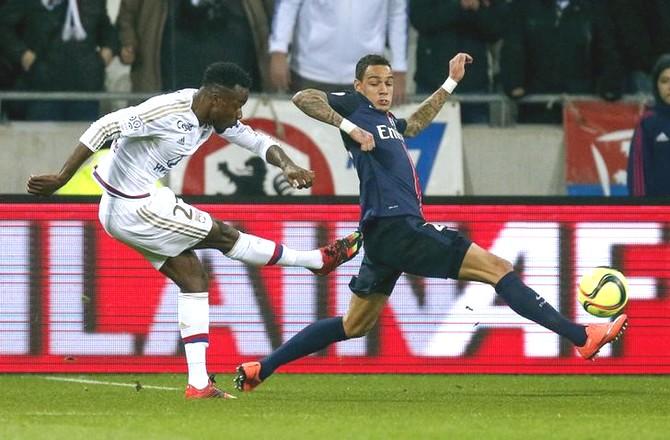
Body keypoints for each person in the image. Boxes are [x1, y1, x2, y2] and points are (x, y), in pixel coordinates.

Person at [233, 53, 629, 392]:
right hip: (398, 226)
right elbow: (305, 97)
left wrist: (450, 83)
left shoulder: (386, 122)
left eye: (388, 82)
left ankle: (261, 369)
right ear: (358, 86)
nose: (383, 89)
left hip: (382, 235)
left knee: (354, 325)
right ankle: (583, 337)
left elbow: (415, 124)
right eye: (374, 83)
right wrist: (348, 126)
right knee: (498, 269)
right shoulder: (355, 110)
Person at [27, 62, 362, 399]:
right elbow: (104, 126)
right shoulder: (166, 111)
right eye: (237, 105)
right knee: (223, 235)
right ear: (216, 99)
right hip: (134, 206)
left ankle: (199, 383)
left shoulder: (213, 116)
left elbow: (257, 141)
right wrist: (62, 177)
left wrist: (288, 165)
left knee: (193, 278)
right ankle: (314, 261)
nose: (240, 113)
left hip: (136, 202)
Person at [117, 0, 273, 92]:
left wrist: (278, 53)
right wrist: (128, 43)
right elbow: (126, 16)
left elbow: (277, 16)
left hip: (238, 76)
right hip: (170, 77)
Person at [268, 0, 408, 103]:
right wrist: (279, 50)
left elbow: (397, 13)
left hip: (367, 75)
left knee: (364, 139)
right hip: (311, 71)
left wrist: (399, 68)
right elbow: (288, 4)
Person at [0, 0, 117, 121]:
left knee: (84, 138)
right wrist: (22, 54)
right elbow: (3, 26)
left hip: (85, 87)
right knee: (43, 138)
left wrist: (105, 55)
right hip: (43, 87)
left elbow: (106, 29)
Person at [627, 54, 670, 196]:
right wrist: (640, 210)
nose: (669, 86)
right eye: (664, 81)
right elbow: (637, 173)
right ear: (656, 86)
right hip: (657, 212)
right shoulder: (648, 123)